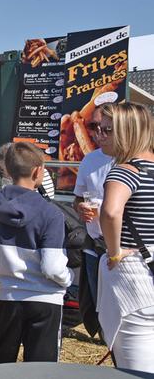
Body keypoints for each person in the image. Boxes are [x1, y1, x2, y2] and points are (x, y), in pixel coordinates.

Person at [0, 142, 72, 364]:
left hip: (9, 296)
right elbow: (52, 267)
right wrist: (68, 278)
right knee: (41, 366)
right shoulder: (51, 214)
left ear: (8, 171)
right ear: (37, 171)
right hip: (46, 299)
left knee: (3, 360)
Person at [97, 102, 154, 372]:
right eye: (99, 128)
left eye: (108, 130)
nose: (100, 135)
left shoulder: (125, 171)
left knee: (136, 368)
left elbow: (110, 212)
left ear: (127, 133)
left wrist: (114, 251)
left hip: (135, 281)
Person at [73, 104, 114, 308]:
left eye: (105, 127)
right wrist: (80, 208)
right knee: (98, 301)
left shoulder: (131, 160)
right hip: (94, 242)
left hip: (124, 246)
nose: (98, 132)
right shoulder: (89, 160)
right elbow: (78, 198)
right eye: (94, 126)